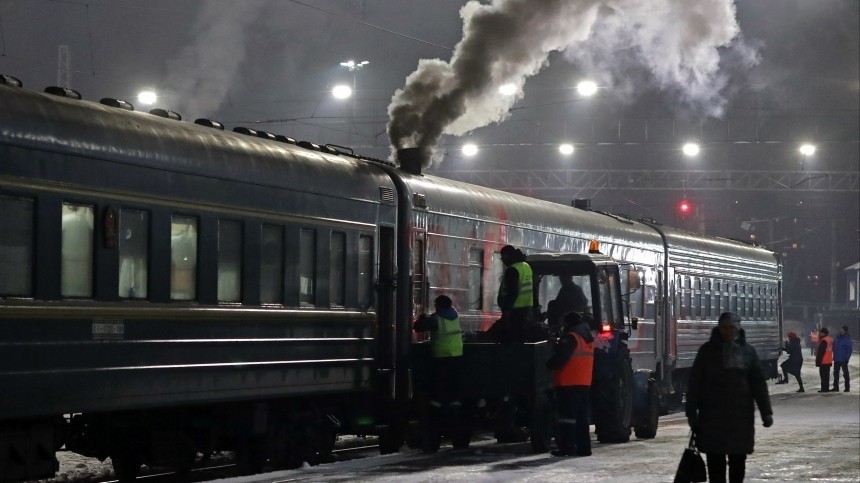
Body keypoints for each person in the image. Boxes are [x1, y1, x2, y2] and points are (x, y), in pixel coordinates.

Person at [686, 312, 773, 483]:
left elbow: (758, 385)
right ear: (719, 328)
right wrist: (691, 411)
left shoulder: (748, 352)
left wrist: (766, 412)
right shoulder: (707, 352)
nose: (727, 331)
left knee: (738, 461)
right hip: (712, 418)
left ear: (738, 328)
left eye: (731, 327)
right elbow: (695, 383)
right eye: (724, 327)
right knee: (715, 462)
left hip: (740, 418)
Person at [546, 311, 594, 457]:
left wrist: (549, 362)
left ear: (569, 323)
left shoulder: (571, 338)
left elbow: (560, 360)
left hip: (568, 384)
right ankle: (584, 449)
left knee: (567, 419)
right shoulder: (587, 338)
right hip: (584, 384)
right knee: (581, 419)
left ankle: (567, 448)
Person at [413, 295, 464, 406]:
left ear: (439, 306)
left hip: (442, 356)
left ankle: (438, 411)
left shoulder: (436, 319)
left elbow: (418, 327)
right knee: (452, 385)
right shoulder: (455, 316)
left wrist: (421, 318)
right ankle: (454, 409)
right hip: (457, 355)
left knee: (439, 386)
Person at [489, 245, 534, 342]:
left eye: (503, 257)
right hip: (526, 310)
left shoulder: (512, 270)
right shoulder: (526, 266)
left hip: (514, 311)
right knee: (520, 338)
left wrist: (507, 311)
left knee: (510, 339)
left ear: (507, 256)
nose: (503, 260)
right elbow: (533, 288)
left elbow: (513, 292)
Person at [832, 325, 852, 392]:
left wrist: (847, 358)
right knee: (835, 373)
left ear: (845, 331)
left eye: (842, 329)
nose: (841, 330)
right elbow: (833, 346)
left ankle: (847, 387)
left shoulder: (847, 338)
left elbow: (849, 349)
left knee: (845, 373)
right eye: (840, 329)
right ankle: (835, 387)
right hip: (837, 358)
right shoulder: (837, 337)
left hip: (843, 359)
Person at [815, 327, 833, 393]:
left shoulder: (823, 341)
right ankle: (826, 388)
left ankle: (823, 389)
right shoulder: (829, 339)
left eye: (821, 332)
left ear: (823, 333)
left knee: (823, 376)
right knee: (826, 375)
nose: (819, 333)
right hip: (828, 360)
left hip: (823, 361)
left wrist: (818, 361)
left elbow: (821, 352)